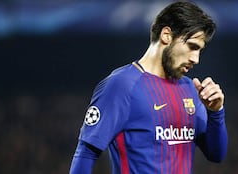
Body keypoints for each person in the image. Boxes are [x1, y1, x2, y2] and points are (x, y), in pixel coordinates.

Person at [69, 1, 228, 174]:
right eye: (192, 46)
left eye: (200, 51)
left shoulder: (190, 89)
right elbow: (86, 153)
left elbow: (216, 154)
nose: (196, 59)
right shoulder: (121, 85)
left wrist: (216, 112)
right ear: (166, 35)